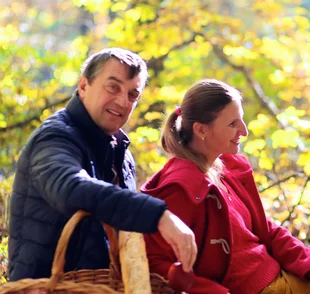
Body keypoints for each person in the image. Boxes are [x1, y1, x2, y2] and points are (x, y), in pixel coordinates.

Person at [142, 79, 310, 294]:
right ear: (201, 130)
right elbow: (156, 264)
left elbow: (267, 230)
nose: (244, 131)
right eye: (233, 123)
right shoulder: (180, 187)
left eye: (242, 119)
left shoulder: (222, 168)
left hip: (279, 275)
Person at [8, 48, 197, 281]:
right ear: (84, 86)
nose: (121, 101)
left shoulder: (121, 152)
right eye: (113, 87)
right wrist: (159, 216)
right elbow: (70, 187)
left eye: (132, 95)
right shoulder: (55, 137)